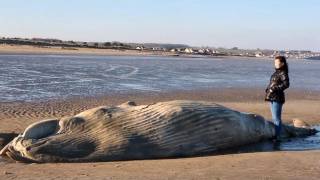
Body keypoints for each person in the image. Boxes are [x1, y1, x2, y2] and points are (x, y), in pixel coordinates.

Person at [265, 56, 290, 142]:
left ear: (282, 63)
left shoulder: (283, 72)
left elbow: (286, 84)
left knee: (276, 119)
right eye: (274, 62)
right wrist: (268, 89)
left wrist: (274, 89)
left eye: (277, 62)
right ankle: (275, 135)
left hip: (277, 98)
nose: (275, 64)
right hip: (272, 96)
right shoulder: (276, 72)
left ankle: (276, 137)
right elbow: (273, 83)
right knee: (274, 118)